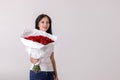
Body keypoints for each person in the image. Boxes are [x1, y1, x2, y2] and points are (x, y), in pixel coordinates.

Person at [30, 14, 58, 80]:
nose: (45, 24)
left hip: (50, 72)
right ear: (38, 24)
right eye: (42, 22)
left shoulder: (51, 39)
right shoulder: (33, 38)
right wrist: (33, 60)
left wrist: (56, 75)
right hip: (37, 72)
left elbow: (52, 58)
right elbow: (31, 57)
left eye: (47, 22)